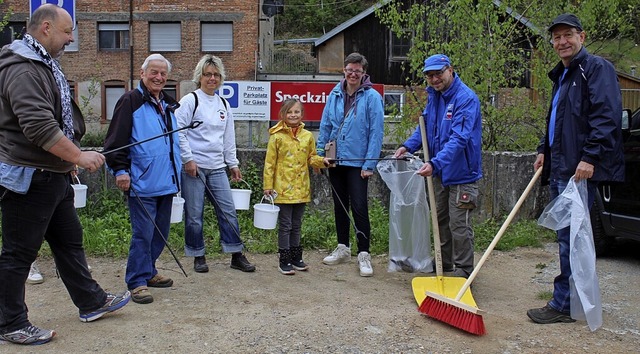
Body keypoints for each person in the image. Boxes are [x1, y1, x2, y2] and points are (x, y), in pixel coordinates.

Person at [0, 4, 130, 345]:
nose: (71, 39)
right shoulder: (25, 69)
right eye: (67, 31)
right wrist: (79, 156)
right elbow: (38, 126)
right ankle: (10, 322)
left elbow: (56, 119)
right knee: (18, 254)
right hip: (29, 177)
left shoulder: (43, 64)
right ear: (45, 28)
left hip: (52, 174)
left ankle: (91, 302)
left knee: (69, 241)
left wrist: (67, 161)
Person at [526, 13, 624, 324]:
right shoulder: (564, 75)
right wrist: (545, 150)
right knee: (567, 238)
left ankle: (565, 305)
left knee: (572, 238)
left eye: (568, 35)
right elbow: (558, 121)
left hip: (578, 171)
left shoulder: (595, 69)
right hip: (561, 168)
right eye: (556, 37)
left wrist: (590, 157)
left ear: (581, 36)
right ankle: (571, 300)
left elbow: (606, 117)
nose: (562, 42)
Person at [394, 54, 483, 279]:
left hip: (462, 173)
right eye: (429, 75)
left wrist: (434, 162)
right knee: (440, 219)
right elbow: (424, 127)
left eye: (438, 74)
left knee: (459, 224)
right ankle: (445, 264)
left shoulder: (466, 98)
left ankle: (464, 270)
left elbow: (459, 138)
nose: (434, 79)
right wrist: (407, 146)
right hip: (439, 172)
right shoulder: (434, 97)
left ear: (450, 70)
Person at [104, 54, 182, 304]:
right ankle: (137, 280)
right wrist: (120, 170)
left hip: (166, 181)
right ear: (142, 73)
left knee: (160, 232)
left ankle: (148, 271)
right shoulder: (130, 101)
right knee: (143, 232)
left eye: (163, 74)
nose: (158, 77)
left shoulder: (168, 104)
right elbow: (115, 140)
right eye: (154, 72)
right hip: (142, 181)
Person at [175, 54, 255, 274]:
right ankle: (198, 255)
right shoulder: (191, 100)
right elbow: (179, 133)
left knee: (228, 211)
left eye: (216, 75)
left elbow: (228, 137)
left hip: (217, 166)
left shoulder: (223, 103)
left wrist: (233, 163)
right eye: (208, 74)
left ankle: (236, 254)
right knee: (194, 214)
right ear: (199, 76)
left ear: (221, 78)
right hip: (195, 167)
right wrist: (188, 159)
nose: (212, 78)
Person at [316, 52, 384, 277]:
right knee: (340, 205)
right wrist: (319, 155)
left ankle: (364, 253)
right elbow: (325, 125)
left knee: (359, 206)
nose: (353, 74)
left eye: (357, 70)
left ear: (363, 73)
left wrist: (369, 164)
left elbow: (376, 133)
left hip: (358, 162)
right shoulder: (335, 94)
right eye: (349, 69)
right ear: (344, 71)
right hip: (335, 159)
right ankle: (343, 247)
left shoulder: (372, 97)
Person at [263, 99, 329, 275]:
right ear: (283, 115)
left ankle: (296, 257)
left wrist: (323, 161)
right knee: (285, 225)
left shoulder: (307, 136)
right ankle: (284, 259)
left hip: (301, 188)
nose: (293, 115)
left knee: (297, 224)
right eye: (289, 112)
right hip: (282, 189)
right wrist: (267, 186)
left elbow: (312, 158)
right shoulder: (276, 136)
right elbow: (270, 163)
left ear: (302, 114)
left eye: (297, 112)